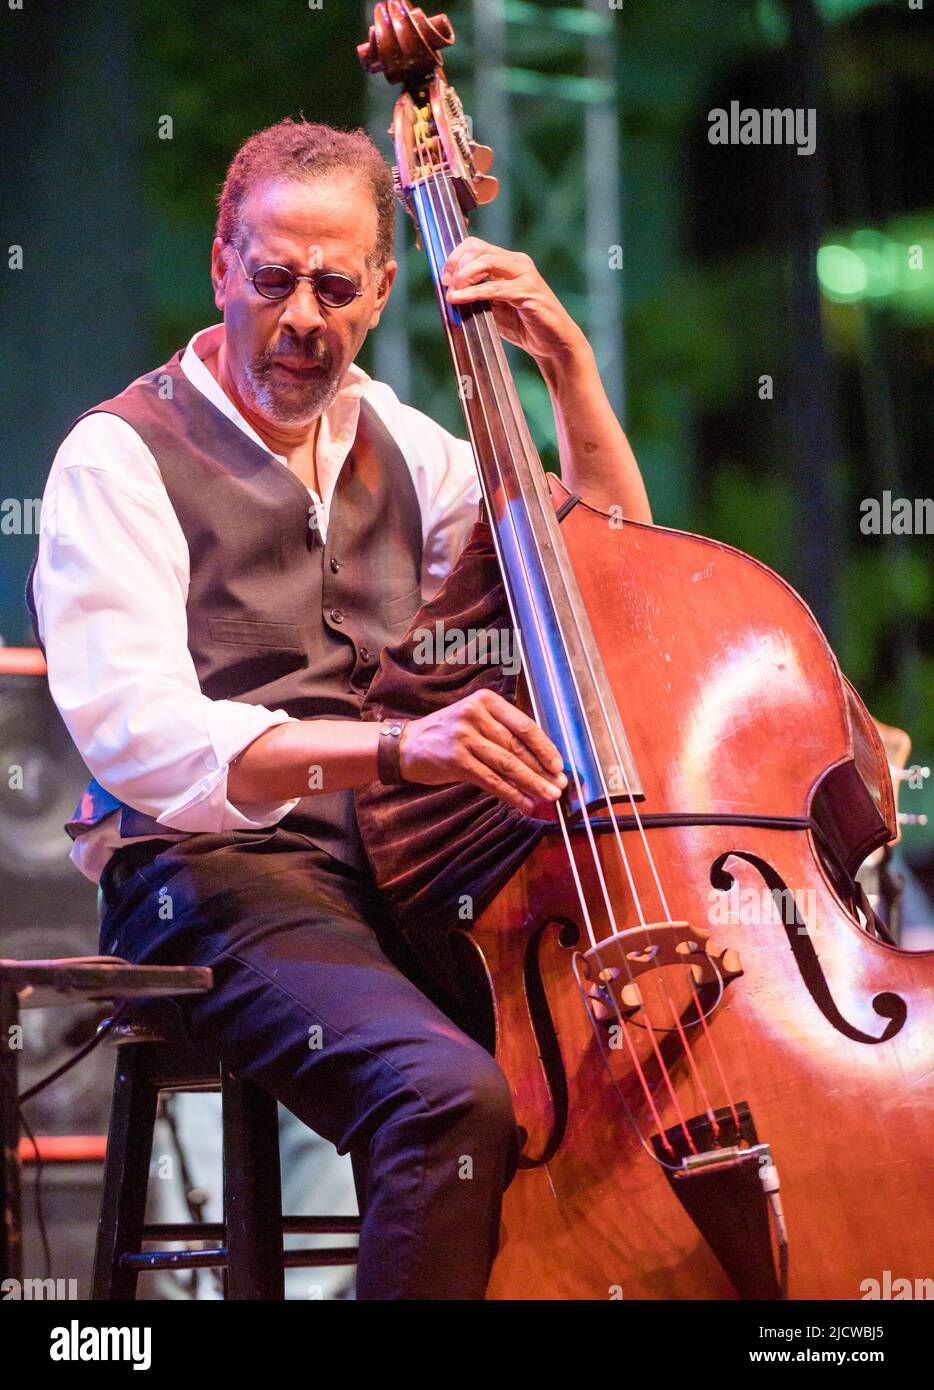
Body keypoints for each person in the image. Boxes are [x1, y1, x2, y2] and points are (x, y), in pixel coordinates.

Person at [27, 119, 651, 1299]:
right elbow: (143, 739)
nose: (301, 315)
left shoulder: (410, 451)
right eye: (272, 278)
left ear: (380, 292)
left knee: (616, 1062)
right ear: (221, 265)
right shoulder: (118, 457)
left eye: (333, 285)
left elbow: (607, 580)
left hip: (397, 880)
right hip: (208, 875)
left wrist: (566, 364)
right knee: (446, 1095)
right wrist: (396, 746)